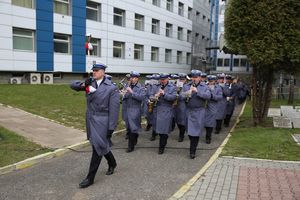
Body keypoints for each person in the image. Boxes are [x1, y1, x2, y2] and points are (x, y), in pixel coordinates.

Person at [70, 63, 120, 188]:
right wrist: (83, 84)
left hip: (103, 120)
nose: (94, 72)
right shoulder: (90, 83)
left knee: (97, 148)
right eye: (93, 71)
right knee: (99, 145)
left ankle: (90, 178)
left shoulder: (111, 88)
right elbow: (72, 85)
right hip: (91, 118)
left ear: (103, 72)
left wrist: (111, 128)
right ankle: (112, 162)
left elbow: (114, 110)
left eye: (97, 71)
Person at [181, 70, 211, 159]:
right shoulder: (186, 85)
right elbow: (181, 96)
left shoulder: (204, 86)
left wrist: (197, 92)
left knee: (196, 132)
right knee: (190, 132)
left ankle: (192, 150)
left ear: (199, 77)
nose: (194, 79)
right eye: (193, 77)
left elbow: (208, 96)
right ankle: (192, 144)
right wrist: (188, 93)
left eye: (196, 77)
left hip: (199, 111)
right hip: (188, 110)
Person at [150, 73, 177, 154]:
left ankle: (161, 147)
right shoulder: (156, 86)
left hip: (166, 110)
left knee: (163, 131)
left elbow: (173, 98)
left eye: (164, 79)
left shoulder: (172, 87)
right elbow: (150, 97)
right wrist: (154, 97)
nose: (162, 81)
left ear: (167, 79)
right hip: (157, 110)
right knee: (157, 128)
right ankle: (161, 142)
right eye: (161, 79)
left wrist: (164, 94)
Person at [122, 71, 146, 152]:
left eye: (133, 78)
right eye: (130, 77)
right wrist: (123, 94)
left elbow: (141, 98)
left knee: (133, 128)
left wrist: (132, 92)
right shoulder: (127, 86)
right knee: (129, 127)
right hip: (127, 109)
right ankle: (135, 136)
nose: (131, 79)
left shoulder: (141, 87)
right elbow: (124, 98)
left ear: (137, 78)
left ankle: (130, 146)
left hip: (135, 109)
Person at [204, 75, 223, 144]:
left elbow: (220, 97)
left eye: (211, 81)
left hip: (212, 107)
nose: (210, 82)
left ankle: (208, 137)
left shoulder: (218, 88)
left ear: (215, 81)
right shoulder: (204, 86)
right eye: (209, 81)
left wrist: (212, 95)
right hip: (203, 106)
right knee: (204, 122)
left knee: (210, 123)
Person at [174, 73, 188, 142]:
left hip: (183, 105)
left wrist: (179, 95)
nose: (182, 81)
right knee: (177, 120)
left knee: (182, 121)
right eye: (180, 79)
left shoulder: (187, 86)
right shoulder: (176, 85)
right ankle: (181, 131)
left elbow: (186, 95)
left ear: (185, 80)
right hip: (176, 106)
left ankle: (181, 135)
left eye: (183, 79)